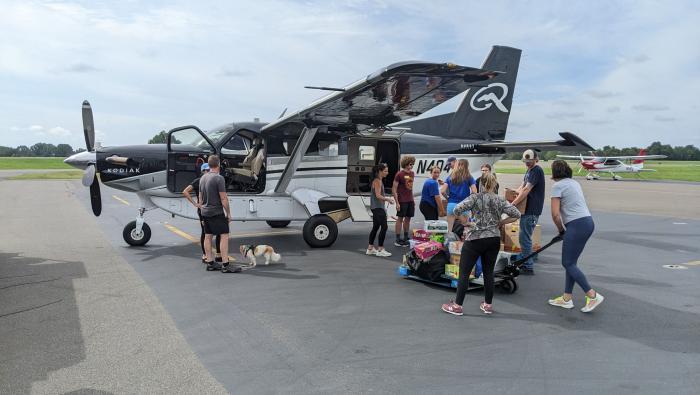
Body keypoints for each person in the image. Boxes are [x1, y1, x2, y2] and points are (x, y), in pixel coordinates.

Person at [441, 173, 521, 315]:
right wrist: (501, 222)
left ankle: (458, 306)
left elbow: (456, 209)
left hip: (475, 238)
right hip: (493, 239)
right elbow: (516, 214)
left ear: (480, 184)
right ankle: (487, 304)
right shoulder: (500, 199)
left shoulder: (474, 197)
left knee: (465, 272)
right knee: (488, 272)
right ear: (494, 184)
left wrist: (465, 221)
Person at [548, 160, 604, 312]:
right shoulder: (574, 183)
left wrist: (560, 230)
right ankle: (567, 298)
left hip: (576, 225)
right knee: (571, 263)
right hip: (587, 222)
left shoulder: (557, 186)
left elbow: (555, 214)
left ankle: (592, 295)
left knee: (568, 263)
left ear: (555, 172)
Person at [199, 155, 240, 273]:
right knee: (224, 235)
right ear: (218, 165)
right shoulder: (219, 178)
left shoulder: (203, 178)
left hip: (205, 211)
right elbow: (223, 198)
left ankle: (210, 263)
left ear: (209, 164)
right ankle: (226, 265)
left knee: (208, 236)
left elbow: (200, 198)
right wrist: (229, 213)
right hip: (216, 212)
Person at [511, 149, 545, 275]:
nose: (527, 163)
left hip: (531, 209)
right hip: (527, 209)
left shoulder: (536, 170)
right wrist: (513, 191)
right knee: (524, 236)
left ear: (535, 159)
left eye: (529, 161)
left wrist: (513, 203)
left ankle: (528, 266)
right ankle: (524, 259)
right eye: (526, 161)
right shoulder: (530, 170)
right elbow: (522, 186)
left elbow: (526, 190)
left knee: (524, 237)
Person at [182, 163, 222, 264]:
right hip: (204, 209)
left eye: (210, 170)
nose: (209, 172)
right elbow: (185, 191)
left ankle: (218, 254)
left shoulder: (212, 179)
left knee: (219, 232)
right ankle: (205, 255)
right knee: (206, 232)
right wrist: (195, 204)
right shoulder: (199, 180)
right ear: (203, 171)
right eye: (207, 170)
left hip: (211, 208)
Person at [367, 163, 395, 257]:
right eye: (385, 171)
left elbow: (378, 195)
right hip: (378, 208)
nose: (387, 173)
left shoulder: (378, 180)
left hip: (376, 207)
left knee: (375, 227)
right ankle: (380, 249)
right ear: (380, 171)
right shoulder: (378, 181)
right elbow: (378, 195)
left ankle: (370, 248)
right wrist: (388, 199)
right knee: (384, 227)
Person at [441, 159, 477, 231]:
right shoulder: (469, 177)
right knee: (466, 229)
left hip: (451, 204)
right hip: (463, 205)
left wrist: (448, 198)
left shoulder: (450, 176)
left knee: (449, 230)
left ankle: (448, 241)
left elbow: (442, 191)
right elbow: (474, 191)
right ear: (467, 166)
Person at [392, 155, 415, 247]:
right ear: (405, 164)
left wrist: (412, 200)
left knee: (408, 218)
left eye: (413, 164)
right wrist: (397, 202)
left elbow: (410, 188)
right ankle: (398, 238)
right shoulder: (399, 174)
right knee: (400, 219)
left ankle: (406, 236)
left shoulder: (412, 173)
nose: (411, 166)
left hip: (410, 200)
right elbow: (394, 189)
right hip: (402, 200)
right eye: (410, 164)